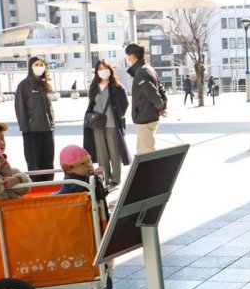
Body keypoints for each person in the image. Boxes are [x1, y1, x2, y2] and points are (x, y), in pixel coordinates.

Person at [83, 59, 131, 190]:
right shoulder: (93, 88)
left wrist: (117, 114)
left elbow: (124, 104)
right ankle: (105, 177)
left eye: (105, 68)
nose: (103, 71)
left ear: (110, 70)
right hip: (97, 124)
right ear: (96, 71)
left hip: (112, 123)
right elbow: (91, 105)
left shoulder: (118, 87)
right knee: (101, 152)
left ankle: (115, 178)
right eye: (100, 68)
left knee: (114, 151)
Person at [14, 56, 55, 181]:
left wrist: (52, 123)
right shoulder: (24, 85)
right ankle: (37, 187)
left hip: (47, 129)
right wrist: (25, 128)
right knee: (34, 161)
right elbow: (19, 107)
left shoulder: (44, 84)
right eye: (36, 64)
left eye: (41, 64)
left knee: (48, 159)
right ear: (30, 67)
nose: (39, 67)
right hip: (32, 131)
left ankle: (49, 185)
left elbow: (49, 107)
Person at [125, 43, 167, 154]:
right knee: (142, 151)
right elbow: (161, 89)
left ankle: (154, 171)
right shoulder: (148, 68)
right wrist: (161, 107)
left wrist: (160, 106)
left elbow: (152, 93)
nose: (128, 59)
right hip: (147, 117)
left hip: (145, 118)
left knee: (146, 152)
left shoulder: (141, 72)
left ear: (132, 57)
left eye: (128, 56)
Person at [56, 145, 109, 218]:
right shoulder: (71, 182)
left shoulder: (83, 176)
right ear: (69, 169)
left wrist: (96, 175)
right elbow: (97, 194)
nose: (89, 165)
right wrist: (97, 178)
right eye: (83, 163)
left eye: (89, 160)